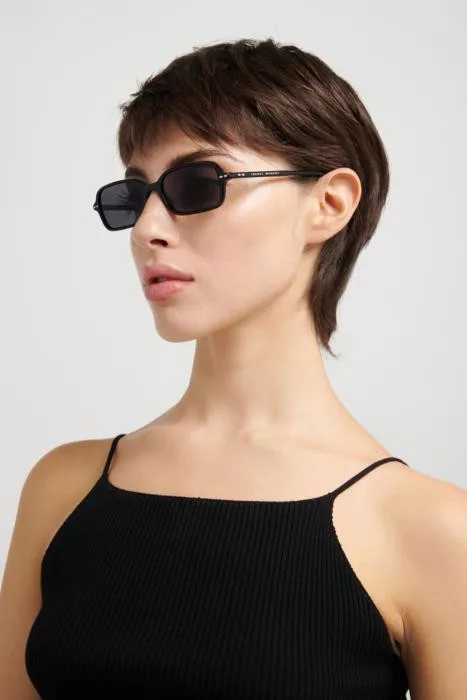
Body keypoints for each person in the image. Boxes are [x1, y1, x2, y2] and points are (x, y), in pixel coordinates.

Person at [2, 37, 466, 700]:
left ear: (329, 204)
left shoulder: (430, 530)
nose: (147, 229)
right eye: (134, 195)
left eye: (198, 183)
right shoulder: (62, 488)